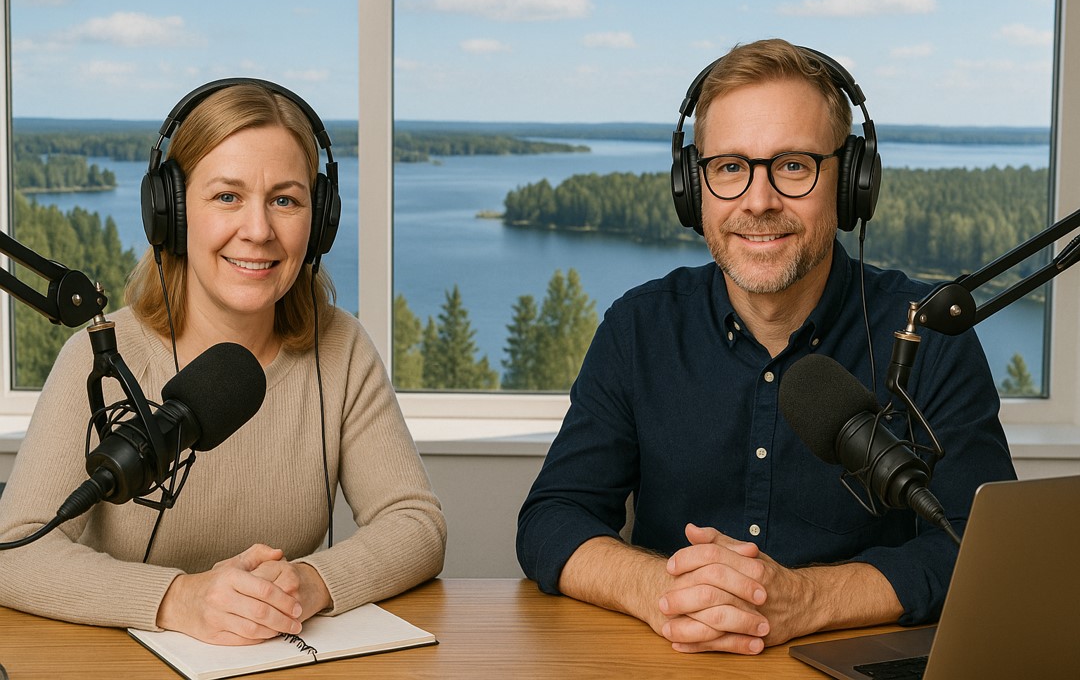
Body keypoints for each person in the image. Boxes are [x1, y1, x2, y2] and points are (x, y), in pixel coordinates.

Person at [516, 39, 1016, 654]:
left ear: (852, 182)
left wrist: (807, 600)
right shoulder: (637, 329)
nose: (758, 201)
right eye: (730, 167)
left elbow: (980, 550)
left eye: (793, 165)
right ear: (691, 188)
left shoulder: (929, 337)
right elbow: (551, 519)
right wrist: (659, 589)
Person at [0, 80, 446, 645]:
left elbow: (416, 524)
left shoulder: (341, 349)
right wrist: (178, 598)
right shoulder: (106, 360)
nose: (258, 231)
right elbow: (14, 550)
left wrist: (309, 583)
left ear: (320, 221)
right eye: (227, 197)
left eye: (285, 200)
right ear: (173, 213)